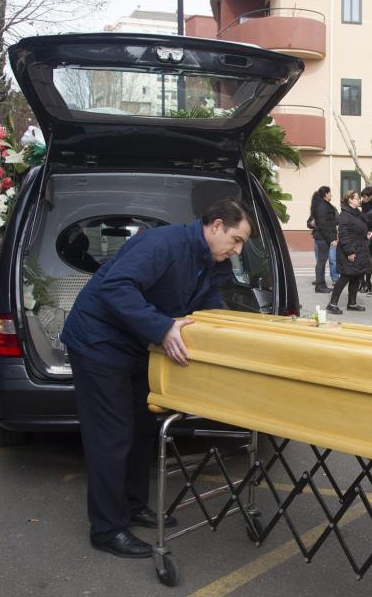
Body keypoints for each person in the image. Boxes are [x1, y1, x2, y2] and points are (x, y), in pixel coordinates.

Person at [60, 198, 254, 558]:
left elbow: (207, 304)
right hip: (98, 343)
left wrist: (229, 334)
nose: (238, 249)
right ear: (214, 226)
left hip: (134, 346)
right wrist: (163, 328)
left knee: (141, 429)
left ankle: (133, 506)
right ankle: (107, 529)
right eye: (237, 239)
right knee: (111, 437)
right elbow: (115, 287)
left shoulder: (208, 259)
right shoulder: (162, 244)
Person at [327, 190, 371, 315]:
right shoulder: (345, 215)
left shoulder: (356, 213)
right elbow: (344, 235)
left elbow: (358, 229)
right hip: (350, 251)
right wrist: (350, 252)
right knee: (345, 277)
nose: (359, 200)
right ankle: (332, 304)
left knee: (356, 276)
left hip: (359, 249)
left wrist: (366, 234)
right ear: (350, 200)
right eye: (357, 198)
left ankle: (352, 303)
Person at [310, 186, 338, 294]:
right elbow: (324, 224)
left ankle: (321, 285)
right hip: (322, 238)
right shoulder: (323, 206)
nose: (331, 194)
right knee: (321, 262)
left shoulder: (323, 205)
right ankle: (320, 286)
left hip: (322, 237)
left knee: (321, 261)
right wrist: (332, 238)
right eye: (330, 193)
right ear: (326, 194)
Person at [359, 186, 372, 294]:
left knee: (368, 260)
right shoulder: (362, 204)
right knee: (361, 260)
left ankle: (368, 282)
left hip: (371, 235)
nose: (363, 199)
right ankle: (362, 282)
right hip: (362, 235)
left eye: (365, 196)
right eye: (362, 196)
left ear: (371, 196)